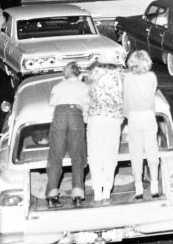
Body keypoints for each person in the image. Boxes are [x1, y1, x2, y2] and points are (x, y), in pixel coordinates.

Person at [46, 62, 89, 208]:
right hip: (76, 115)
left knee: (55, 157)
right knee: (77, 157)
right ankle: (77, 195)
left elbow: (51, 102)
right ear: (80, 75)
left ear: (65, 75)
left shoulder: (58, 86)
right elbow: (88, 105)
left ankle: (51, 196)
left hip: (59, 116)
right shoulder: (84, 86)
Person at [85, 61, 125, 203]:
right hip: (113, 120)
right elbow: (122, 100)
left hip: (95, 119)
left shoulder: (94, 75)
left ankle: (97, 192)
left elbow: (87, 99)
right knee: (110, 156)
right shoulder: (118, 76)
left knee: (95, 156)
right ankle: (107, 191)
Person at [123, 50, 160, 199]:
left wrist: (127, 117)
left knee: (136, 152)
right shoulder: (152, 77)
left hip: (133, 116)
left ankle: (138, 188)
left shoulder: (127, 78)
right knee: (152, 150)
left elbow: (125, 99)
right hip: (148, 115)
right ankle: (155, 187)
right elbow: (152, 93)